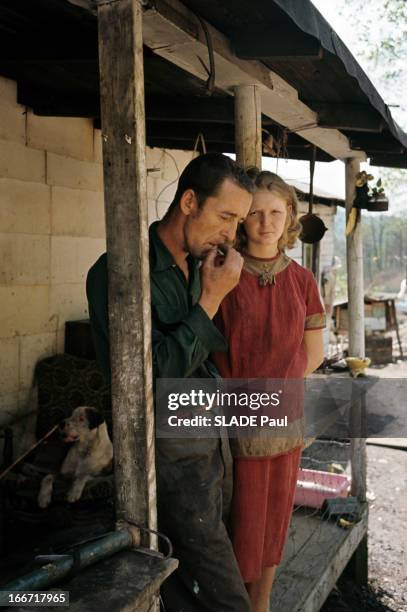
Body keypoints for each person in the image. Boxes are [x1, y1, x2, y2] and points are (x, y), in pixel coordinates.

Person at [86, 153, 254, 612]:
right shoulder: (121, 272)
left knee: (186, 586)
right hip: (164, 452)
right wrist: (211, 301)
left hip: (209, 441)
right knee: (224, 592)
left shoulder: (200, 267)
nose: (230, 233)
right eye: (224, 217)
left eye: (237, 222)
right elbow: (149, 377)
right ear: (188, 201)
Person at [211, 170, 326, 612]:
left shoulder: (301, 281)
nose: (265, 222)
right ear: (242, 219)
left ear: (290, 216)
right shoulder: (224, 270)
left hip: (285, 421)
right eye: (255, 213)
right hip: (234, 422)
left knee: (275, 521)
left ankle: (261, 606)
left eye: (275, 212)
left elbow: (312, 355)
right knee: (239, 523)